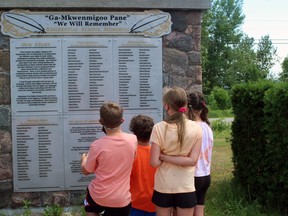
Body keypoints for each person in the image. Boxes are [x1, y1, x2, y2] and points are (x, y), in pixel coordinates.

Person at [150, 86, 203, 216]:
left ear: (167, 106)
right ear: (185, 104)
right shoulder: (196, 128)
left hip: (163, 186)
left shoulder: (158, 128)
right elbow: (192, 161)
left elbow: (154, 162)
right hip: (186, 186)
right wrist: (174, 158)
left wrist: (163, 157)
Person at [81, 102, 137, 216]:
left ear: (101, 122)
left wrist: (83, 160)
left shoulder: (97, 145)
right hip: (121, 199)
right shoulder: (133, 140)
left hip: (98, 196)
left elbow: (86, 171)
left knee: (90, 207)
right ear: (122, 120)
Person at [187, 91, 213, 216]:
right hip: (206, 174)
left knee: (186, 211)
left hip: (193, 175)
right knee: (199, 210)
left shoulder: (191, 127)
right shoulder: (207, 126)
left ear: (188, 107)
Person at [129, 115, 157, 216]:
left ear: (134, 133)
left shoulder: (131, 154)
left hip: (135, 203)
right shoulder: (157, 154)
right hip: (155, 202)